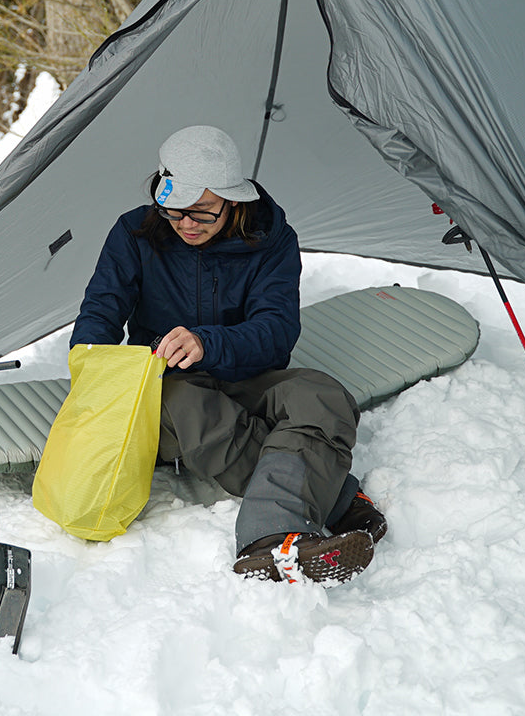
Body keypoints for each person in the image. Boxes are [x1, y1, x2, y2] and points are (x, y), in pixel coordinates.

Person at [70, 125, 386, 584]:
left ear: (233, 202)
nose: (187, 225)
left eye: (202, 214)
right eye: (175, 213)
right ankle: (292, 526)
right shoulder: (134, 233)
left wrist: (207, 342)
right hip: (168, 382)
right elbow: (100, 311)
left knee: (321, 396)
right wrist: (91, 368)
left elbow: (277, 332)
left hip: (245, 369)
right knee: (193, 408)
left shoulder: (271, 239)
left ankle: (303, 510)